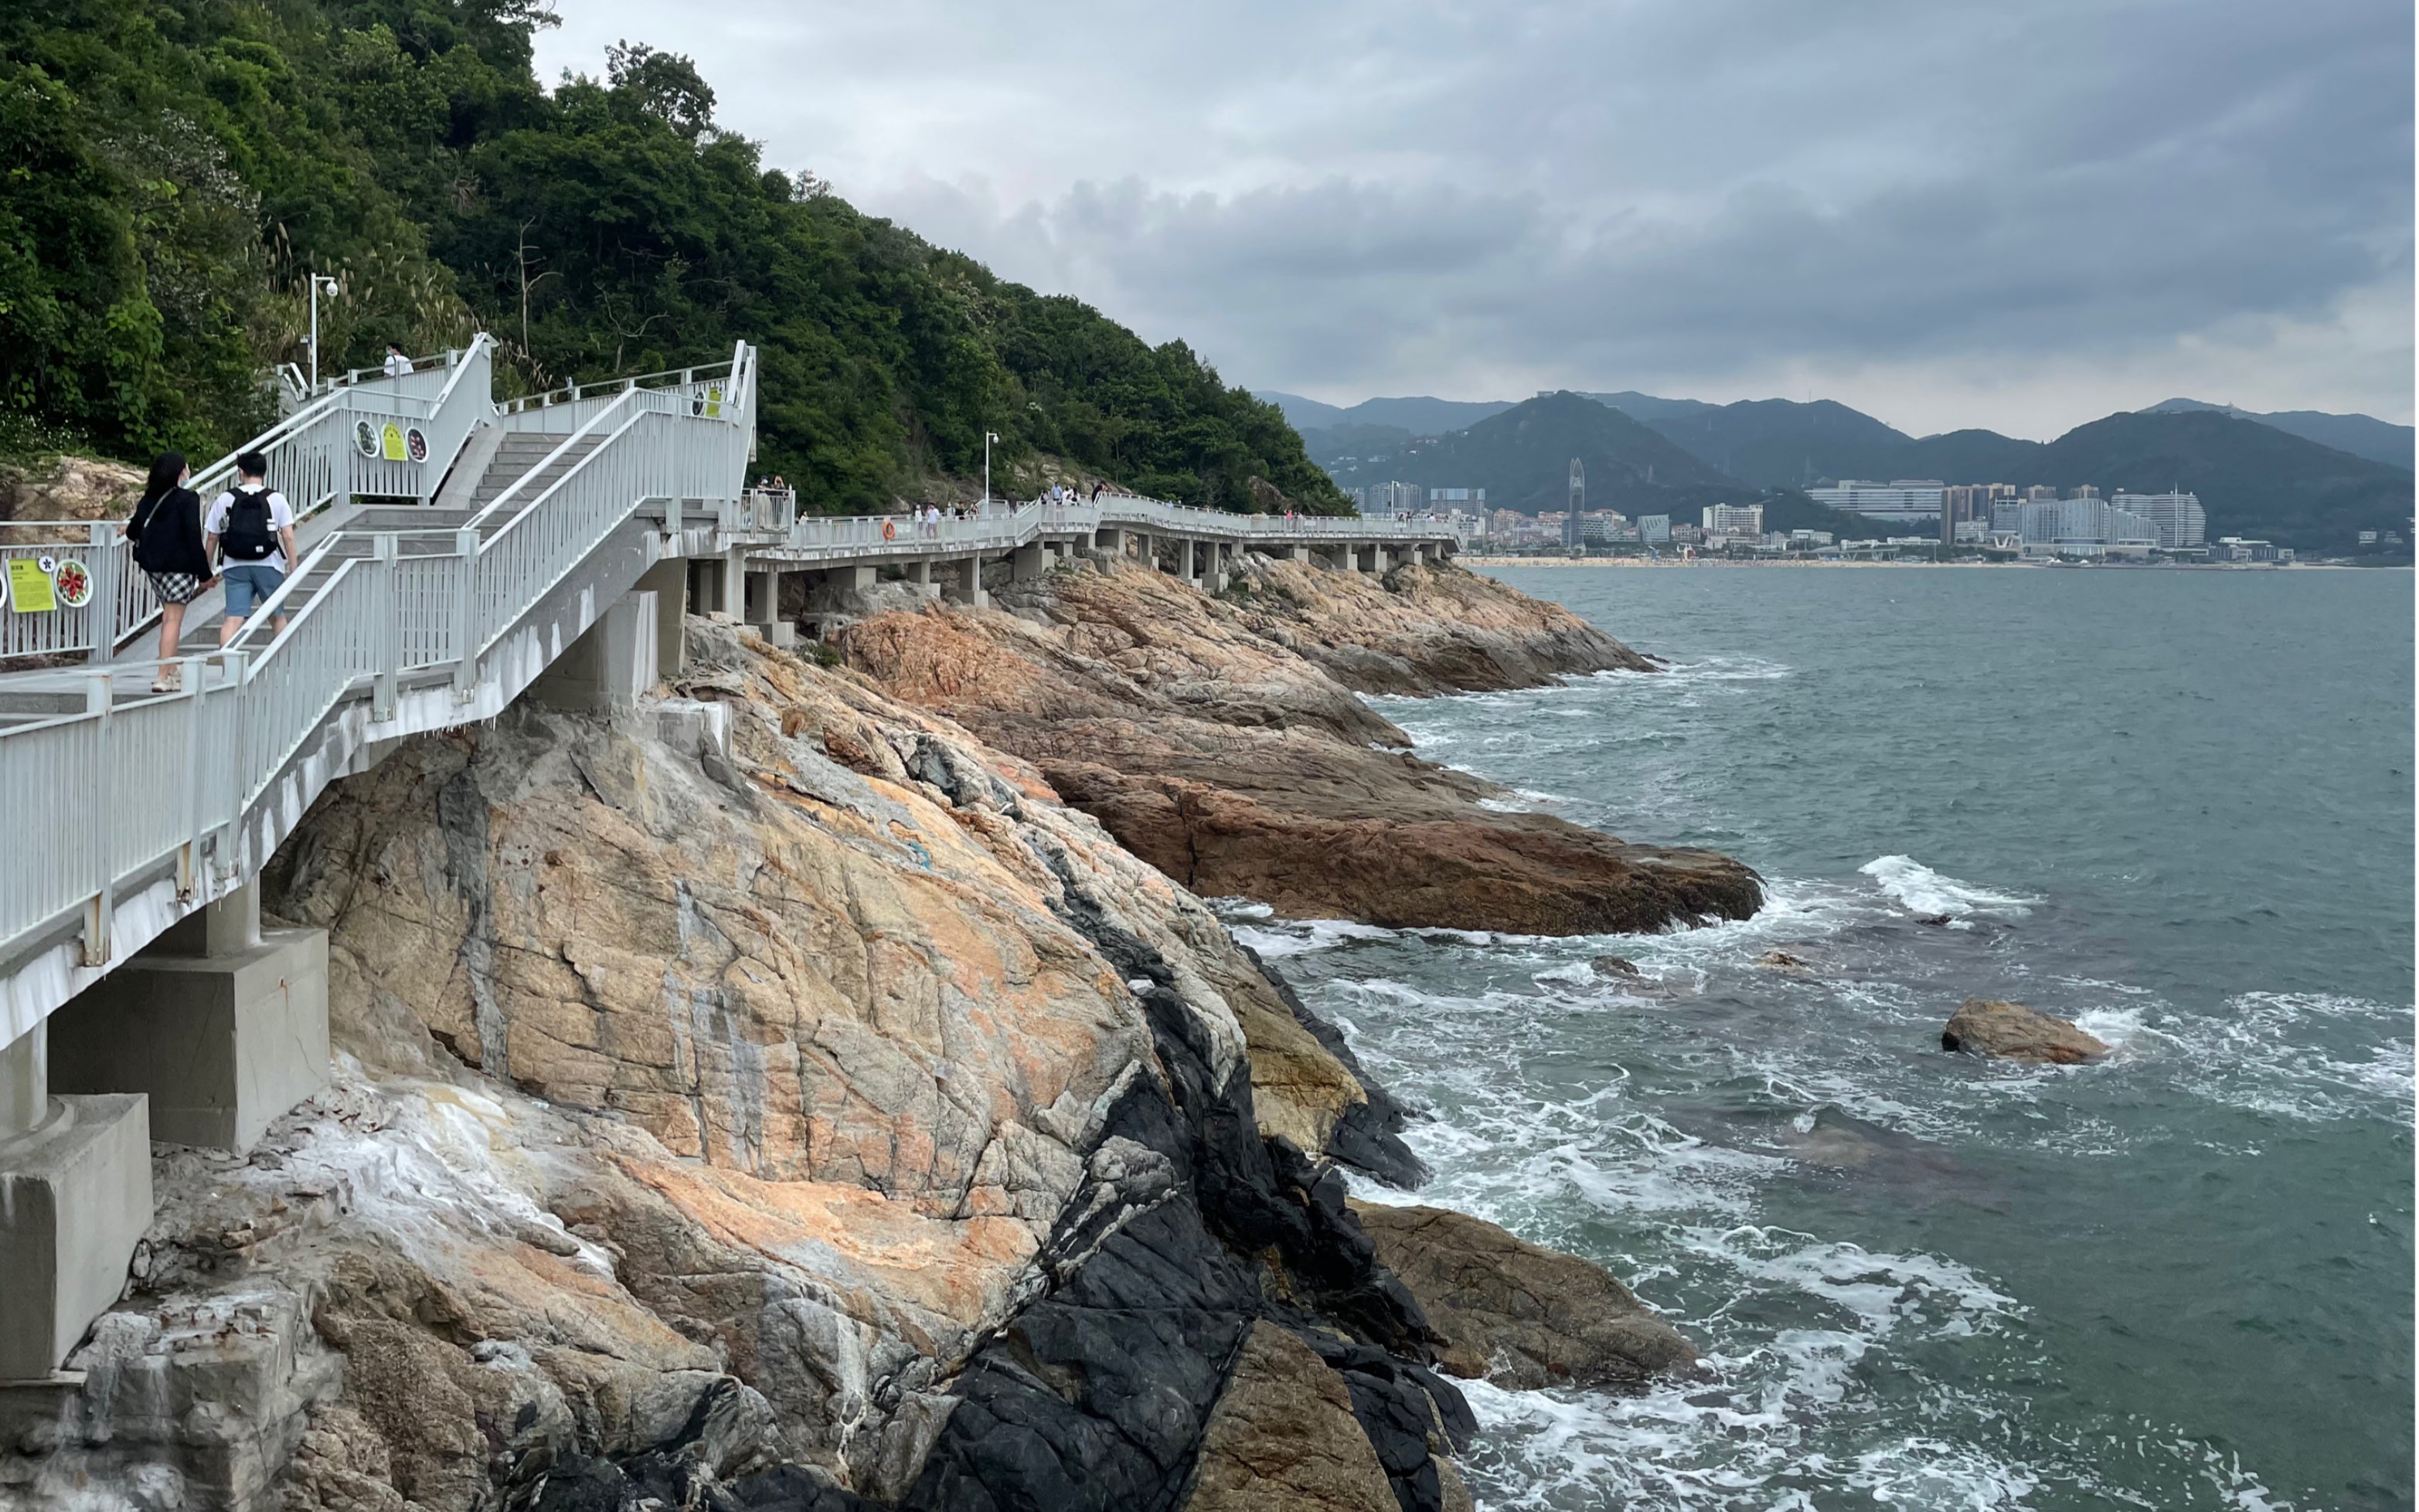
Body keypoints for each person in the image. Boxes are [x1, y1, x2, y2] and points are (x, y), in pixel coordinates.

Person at [124, 451, 214, 691]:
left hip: (154, 569)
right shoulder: (188, 499)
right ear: (180, 472)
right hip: (180, 568)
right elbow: (194, 538)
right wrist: (205, 575)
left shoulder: (148, 499)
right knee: (172, 619)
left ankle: (172, 668)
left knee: (169, 616)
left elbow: (132, 532)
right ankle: (163, 676)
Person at [203, 450, 300, 647]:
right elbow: (288, 536)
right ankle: (283, 669)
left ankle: (228, 673)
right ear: (264, 471)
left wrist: (206, 571)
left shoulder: (226, 499)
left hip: (235, 565)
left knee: (233, 619)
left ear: (241, 472)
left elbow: (212, 536)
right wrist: (293, 567)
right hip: (269, 565)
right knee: (277, 618)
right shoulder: (276, 499)